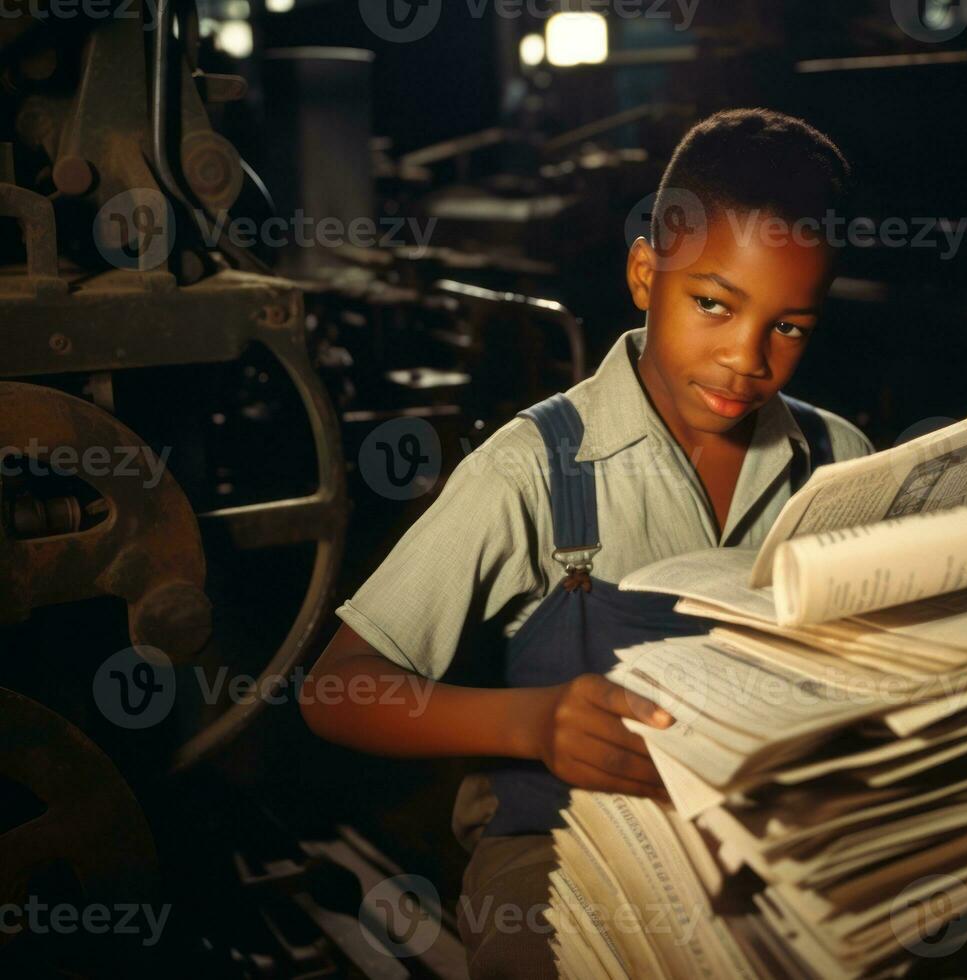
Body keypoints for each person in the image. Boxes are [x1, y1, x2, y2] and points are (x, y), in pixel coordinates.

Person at [300, 107, 875, 977]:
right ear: (646, 273)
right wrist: (526, 722)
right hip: (561, 846)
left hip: (779, 834)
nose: (745, 359)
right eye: (712, 305)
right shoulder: (532, 469)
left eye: (789, 327)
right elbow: (336, 690)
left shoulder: (842, 463)